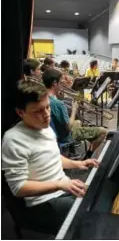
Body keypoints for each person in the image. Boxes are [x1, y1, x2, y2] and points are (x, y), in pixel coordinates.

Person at [2, 79, 99, 235]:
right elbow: (18, 188)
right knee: (93, 217)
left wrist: (78, 163)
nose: (47, 114)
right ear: (20, 112)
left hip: (61, 188)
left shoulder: (44, 126)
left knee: (98, 199)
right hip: (41, 203)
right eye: (38, 111)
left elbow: (52, 157)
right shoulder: (13, 140)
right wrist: (59, 185)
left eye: (47, 107)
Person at [42, 69, 107, 159]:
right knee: (103, 131)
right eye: (60, 83)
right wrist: (74, 109)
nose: (62, 85)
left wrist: (59, 97)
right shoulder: (58, 104)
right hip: (66, 136)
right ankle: (88, 156)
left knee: (78, 122)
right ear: (54, 83)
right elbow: (68, 127)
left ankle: (89, 137)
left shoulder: (43, 97)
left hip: (56, 133)